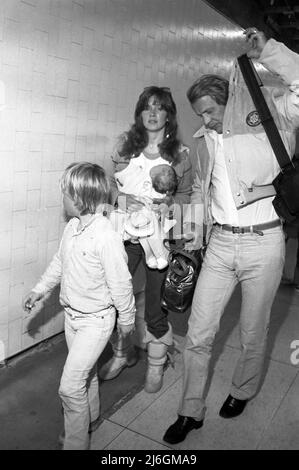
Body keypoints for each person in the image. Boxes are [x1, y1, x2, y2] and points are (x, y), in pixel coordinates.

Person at [163, 27, 299, 445]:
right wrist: (187, 235)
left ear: (230, 101)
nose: (203, 120)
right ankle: (190, 411)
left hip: (264, 242)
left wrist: (270, 51)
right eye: (199, 113)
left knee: (252, 333)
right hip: (220, 245)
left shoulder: (276, 116)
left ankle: (241, 390)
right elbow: (203, 193)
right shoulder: (205, 142)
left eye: (208, 111)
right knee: (199, 333)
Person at [22, 162, 136, 450]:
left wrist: (127, 319)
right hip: (73, 318)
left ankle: (76, 444)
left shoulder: (105, 236)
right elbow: (59, 263)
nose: (62, 198)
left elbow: (121, 283)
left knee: (70, 387)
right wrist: (39, 289)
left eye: (65, 193)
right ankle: (90, 418)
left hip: (96, 321)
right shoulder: (72, 227)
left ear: (79, 197)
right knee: (86, 375)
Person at [99, 86, 193, 393]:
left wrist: (169, 206)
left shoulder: (180, 155)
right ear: (140, 113)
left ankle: (156, 365)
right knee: (115, 299)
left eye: (159, 107)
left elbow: (186, 197)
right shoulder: (125, 147)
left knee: (155, 306)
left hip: (159, 241)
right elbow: (112, 188)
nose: (152, 113)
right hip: (124, 236)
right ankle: (121, 354)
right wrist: (120, 199)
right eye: (147, 107)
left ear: (168, 114)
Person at [110, 163, 178, 270]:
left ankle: (158, 256)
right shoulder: (129, 160)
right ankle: (153, 257)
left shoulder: (154, 187)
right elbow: (111, 179)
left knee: (151, 232)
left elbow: (185, 193)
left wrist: (168, 204)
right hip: (131, 223)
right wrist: (118, 197)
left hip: (149, 220)